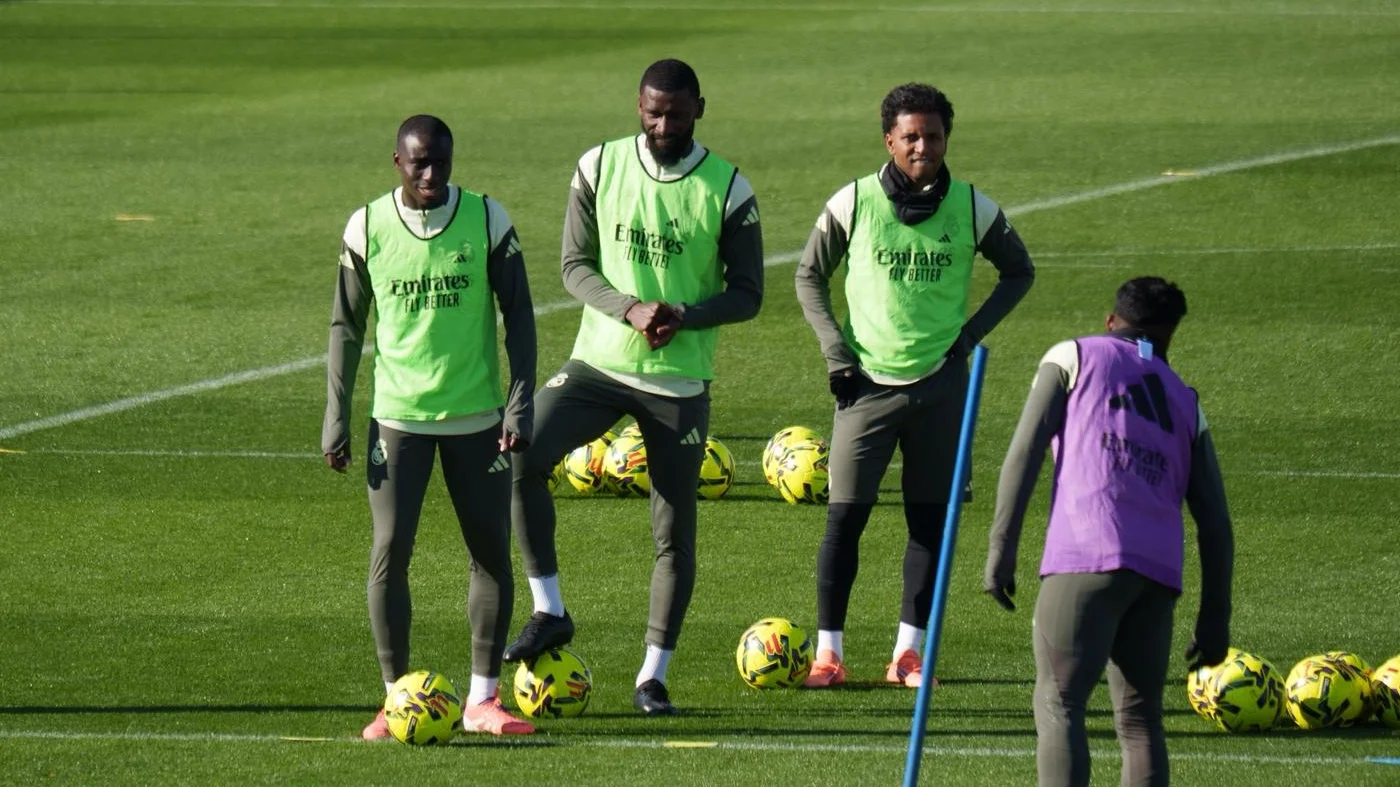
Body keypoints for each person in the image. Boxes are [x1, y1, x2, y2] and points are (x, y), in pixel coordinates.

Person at [503, 59, 764, 716]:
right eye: (653, 112)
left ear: (700, 107)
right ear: (638, 107)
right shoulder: (599, 166)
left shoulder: (728, 188)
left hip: (679, 385)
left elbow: (748, 293)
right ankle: (549, 609)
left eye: (676, 113)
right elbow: (573, 266)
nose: (663, 125)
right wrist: (630, 309)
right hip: (597, 365)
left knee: (674, 532)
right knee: (520, 454)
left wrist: (684, 315)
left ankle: (653, 677)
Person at [795, 83, 1034, 688]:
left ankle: (909, 654)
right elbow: (808, 276)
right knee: (844, 523)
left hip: (941, 389)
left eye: (932, 135)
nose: (922, 146)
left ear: (946, 138)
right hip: (865, 388)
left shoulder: (974, 208)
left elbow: (1019, 271)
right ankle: (828, 655)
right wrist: (835, 350)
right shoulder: (853, 202)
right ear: (889, 141)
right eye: (910, 137)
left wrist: (968, 336)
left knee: (929, 524)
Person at [321, 114, 539, 739]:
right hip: (398, 421)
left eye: (441, 161)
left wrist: (519, 403)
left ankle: (483, 701)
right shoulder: (366, 227)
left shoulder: (487, 218)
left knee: (490, 553)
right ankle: (395, 699)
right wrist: (336, 414)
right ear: (397, 161)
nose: (432, 174)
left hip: (479, 420)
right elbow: (345, 327)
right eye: (419, 162)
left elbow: (520, 316)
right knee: (390, 551)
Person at [984, 277, 1234, 787]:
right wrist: (1214, 620)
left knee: (1060, 701)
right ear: (1170, 335)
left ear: (1110, 321)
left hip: (1085, 555)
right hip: (1157, 575)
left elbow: (1025, 452)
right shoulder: (1186, 401)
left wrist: (1001, 548)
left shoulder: (1073, 356)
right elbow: (1215, 521)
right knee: (1141, 723)